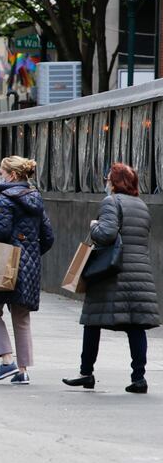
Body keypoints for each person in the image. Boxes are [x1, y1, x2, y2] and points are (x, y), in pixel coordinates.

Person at [62, 163, 160, 394]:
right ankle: (139, 378)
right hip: (139, 274)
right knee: (136, 325)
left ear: (114, 182)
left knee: (92, 321)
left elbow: (107, 234)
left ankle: (86, 373)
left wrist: (94, 226)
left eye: (108, 179)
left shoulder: (111, 202)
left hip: (111, 274)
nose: (106, 182)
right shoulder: (142, 206)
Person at [0, 156, 53, 386]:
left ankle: (6, 360)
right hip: (28, 264)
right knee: (21, 316)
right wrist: (29, 254)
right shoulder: (35, 198)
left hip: (3, 263)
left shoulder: (4, 198)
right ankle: (23, 370)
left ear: (11, 175)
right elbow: (48, 237)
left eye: (1, 172)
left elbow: (1, 231)